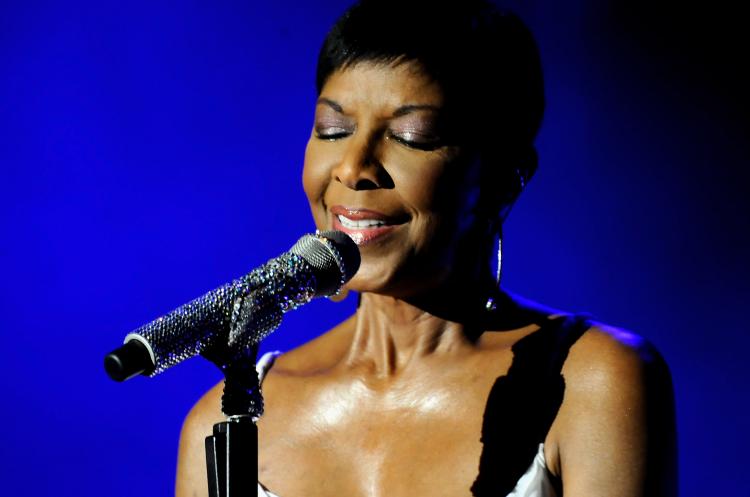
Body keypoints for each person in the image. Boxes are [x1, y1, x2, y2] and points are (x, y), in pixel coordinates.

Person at [175, 1, 677, 495]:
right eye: (333, 129)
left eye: (411, 137)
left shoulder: (591, 382)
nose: (353, 167)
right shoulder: (218, 425)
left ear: (505, 179)